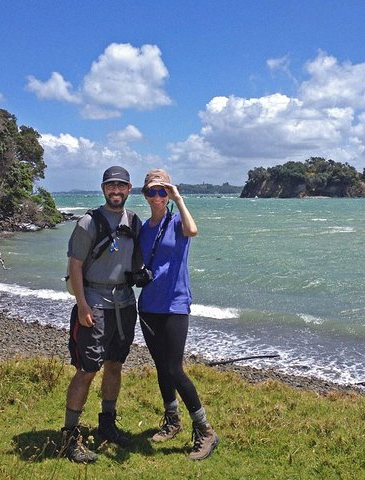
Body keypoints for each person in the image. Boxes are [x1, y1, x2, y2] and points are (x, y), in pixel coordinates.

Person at [61, 165, 142, 463]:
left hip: (124, 304)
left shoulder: (134, 221)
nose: (116, 191)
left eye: (121, 186)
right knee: (87, 369)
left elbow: (136, 260)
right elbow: (75, 266)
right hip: (94, 303)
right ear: (103, 188)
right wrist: (82, 305)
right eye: (111, 186)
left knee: (115, 365)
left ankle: (106, 424)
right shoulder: (87, 222)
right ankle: (70, 436)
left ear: (129, 189)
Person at [137, 168, 219, 461]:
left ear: (168, 192)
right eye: (151, 191)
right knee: (161, 366)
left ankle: (205, 430)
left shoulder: (176, 222)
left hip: (175, 304)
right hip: (147, 305)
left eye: (162, 191)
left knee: (174, 368)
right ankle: (172, 420)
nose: (157, 196)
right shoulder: (142, 228)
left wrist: (179, 198)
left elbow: (193, 230)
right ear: (144, 194)